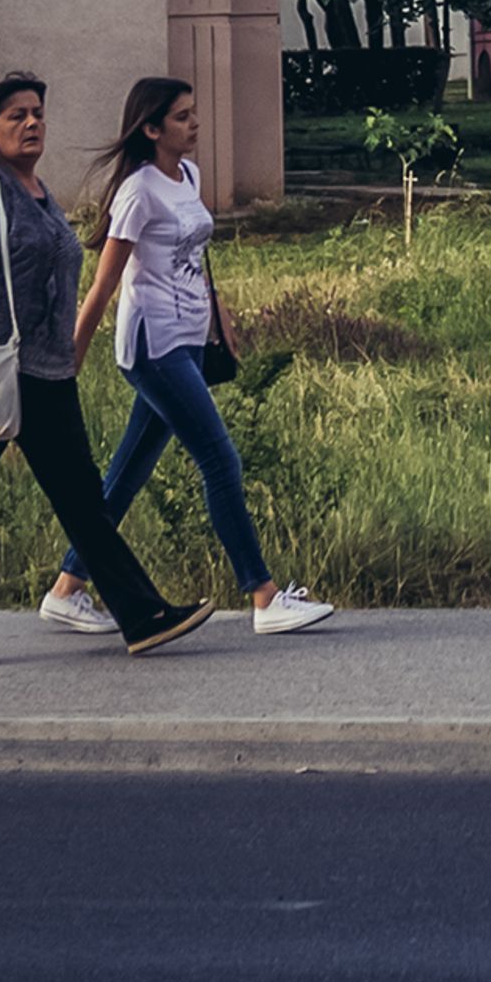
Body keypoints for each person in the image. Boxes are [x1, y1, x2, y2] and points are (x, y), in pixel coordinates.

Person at [0, 73, 210, 668]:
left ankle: (141, 614)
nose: (32, 123)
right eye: (16, 116)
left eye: (37, 113)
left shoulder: (40, 193)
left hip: (46, 373)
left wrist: (70, 349)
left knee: (82, 501)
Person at [41, 78, 334, 641]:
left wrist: (218, 312)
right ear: (151, 129)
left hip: (190, 339)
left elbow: (194, 254)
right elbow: (103, 286)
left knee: (127, 472)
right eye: (181, 117)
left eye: (193, 114)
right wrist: (66, 364)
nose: (194, 124)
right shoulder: (138, 192)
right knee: (220, 461)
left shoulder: (189, 176)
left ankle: (68, 587)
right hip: (153, 346)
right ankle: (264, 596)